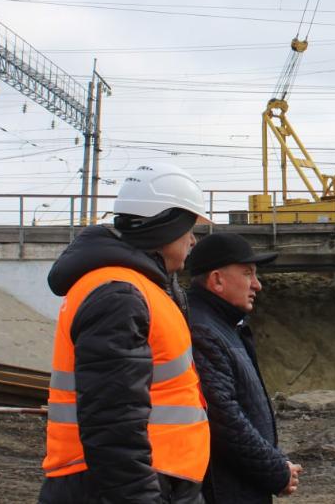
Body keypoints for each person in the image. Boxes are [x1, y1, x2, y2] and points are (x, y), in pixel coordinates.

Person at [40, 163, 211, 504]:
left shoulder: (138, 288)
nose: (192, 240)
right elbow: (111, 421)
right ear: (164, 228)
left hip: (147, 478)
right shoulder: (120, 295)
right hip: (117, 485)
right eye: (188, 228)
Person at [185, 233, 303, 503]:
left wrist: (276, 461)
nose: (257, 285)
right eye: (248, 273)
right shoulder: (202, 331)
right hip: (224, 491)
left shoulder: (223, 326)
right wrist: (275, 470)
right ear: (217, 280)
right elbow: (223, 418)